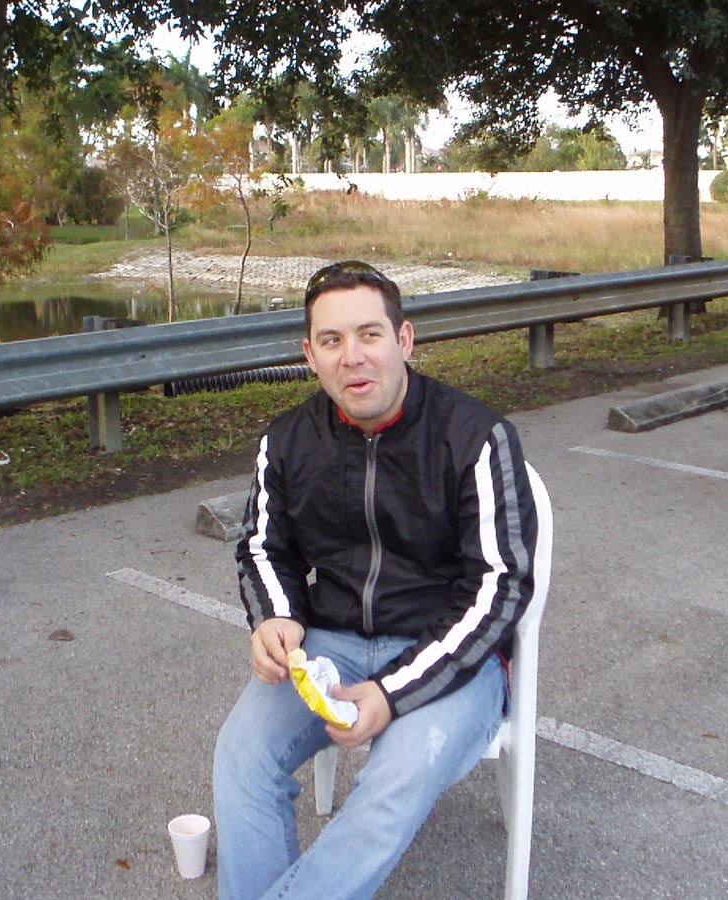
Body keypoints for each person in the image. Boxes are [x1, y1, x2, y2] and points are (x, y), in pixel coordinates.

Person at [213, 260, 538, 900]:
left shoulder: (477, 437)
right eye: (331, 340)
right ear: (310, 355)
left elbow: (500, 587)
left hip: (447, 656)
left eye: (369, 334)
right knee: (241, 756)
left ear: (404, 339)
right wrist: (276, 615)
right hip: (328, 646)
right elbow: (263, 546)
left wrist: (391, 693)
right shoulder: (286, 440)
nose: (353, 357)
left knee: (394, 780)